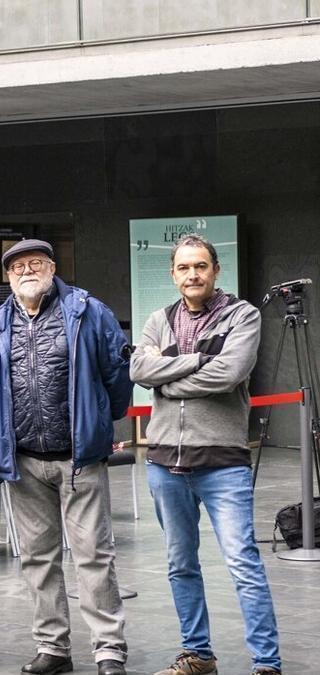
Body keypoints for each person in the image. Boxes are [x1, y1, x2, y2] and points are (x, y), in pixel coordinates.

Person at [0, 239, 131, 675]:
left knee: (94, 556)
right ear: (7, 277)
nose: (27, 271)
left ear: (52, 267)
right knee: (38, 558)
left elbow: (117, 376)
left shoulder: (86, 311)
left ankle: (108, 651)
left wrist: (102, 422)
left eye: (35, 263)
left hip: (78, 458)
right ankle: (53, 647)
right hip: (23, 462)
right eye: (18, 266)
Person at [130, 234, 281, 675]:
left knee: (243, 564)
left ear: (216, 270)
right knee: (180, 565)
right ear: (173, 274)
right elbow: (139, 369)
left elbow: (230, 372)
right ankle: (198, 655)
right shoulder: (159, 319)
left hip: (222, 463)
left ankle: (267, 664)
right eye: (183, 267)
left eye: (201, 266)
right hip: (165, 465)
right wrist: (200, 360)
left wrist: (169, 373)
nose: (192, 274)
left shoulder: (243, 315)